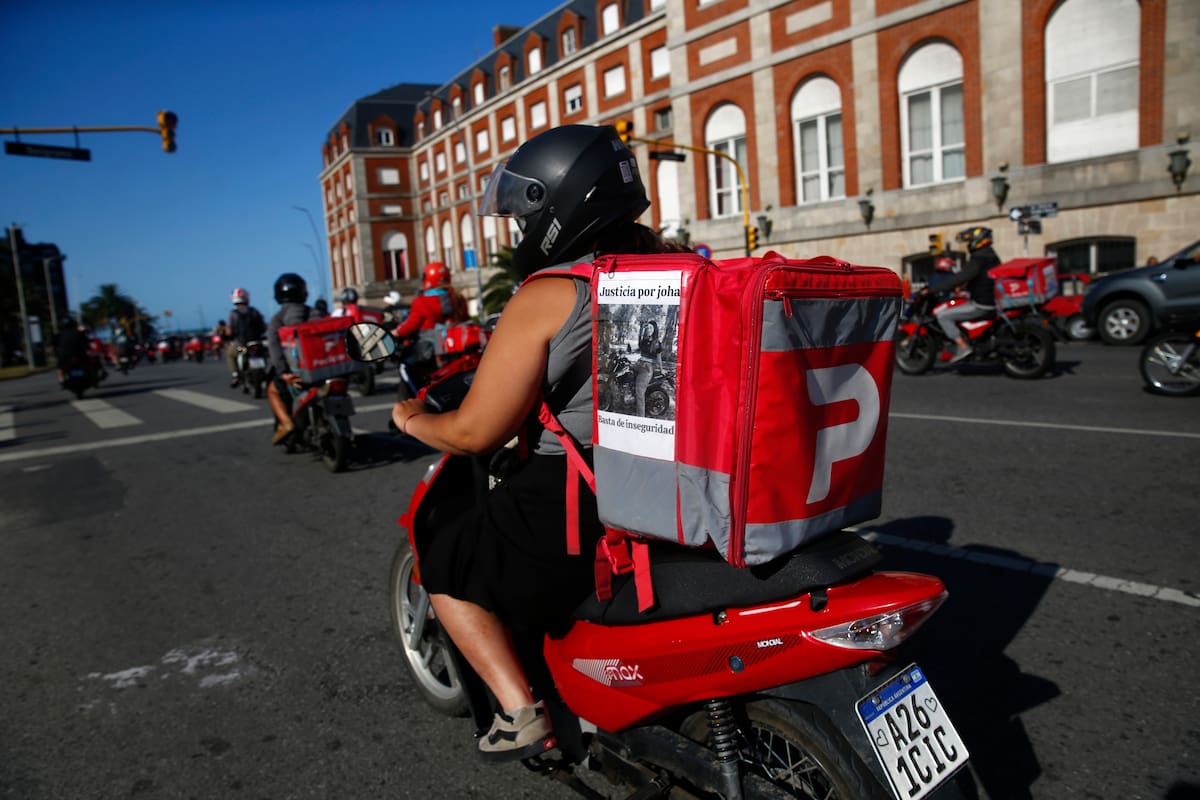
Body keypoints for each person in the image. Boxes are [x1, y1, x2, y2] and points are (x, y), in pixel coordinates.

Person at [391, 124, 687, 762]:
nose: (520, 233)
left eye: (525, 214)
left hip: (584, 495)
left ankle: (522, 710)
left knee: (448, 556)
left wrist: (413, 421)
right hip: (684, 479)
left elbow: (475, 432)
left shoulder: (553, 292)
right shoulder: (682, 270)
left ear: (558, 205)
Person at [930, 226, 1001, 364]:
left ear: (977, 241)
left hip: (982, 303)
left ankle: (963, 346)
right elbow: (980, 279)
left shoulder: (979, 259)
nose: (968, 245)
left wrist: (934, 289)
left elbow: (961, 277)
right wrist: (965, 286)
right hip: (991, 300)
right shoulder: (991, 256)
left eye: (969, 242)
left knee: (943, 315)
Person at [265, 273, 312, 445]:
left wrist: (283, 373)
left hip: (296, 372)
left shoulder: (278, 319)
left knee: (272, 390)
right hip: (322, 368)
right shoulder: (313, 312)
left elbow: (275, 348)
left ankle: (286, 423)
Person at [391, 262, 468, 340]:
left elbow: (411, 325)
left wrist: (396, 332)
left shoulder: (421, 301)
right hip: (457, 342)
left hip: (432, 346)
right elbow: (465, 320)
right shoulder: (458, 298)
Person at [227, 288, 267, 388]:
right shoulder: (254, 311)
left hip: (242, 346)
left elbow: (229, 331)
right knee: (264, 354)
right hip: (256, 343)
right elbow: (263, 327)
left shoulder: (233, 314)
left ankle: (235, 375)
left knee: (230, 354)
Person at [633, 320, 663, 417]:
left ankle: (640, 417)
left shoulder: (657, 343)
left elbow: (659, 357)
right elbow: (639, 347)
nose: (648, 329)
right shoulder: (644, 340)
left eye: (651, 328)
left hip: (647, 367)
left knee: (640, 392)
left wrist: (661, 369)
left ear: (654, 330)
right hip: (639, 363)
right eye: (647, 327)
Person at [53, 317, 91, 382]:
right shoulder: (79, 333)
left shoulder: (58, 335)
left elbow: (53, 346)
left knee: (60, 368)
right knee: (88, 363)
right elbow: (86, 343)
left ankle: (62, 380)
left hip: (65, 355)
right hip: (78, 354)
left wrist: (56, 353)